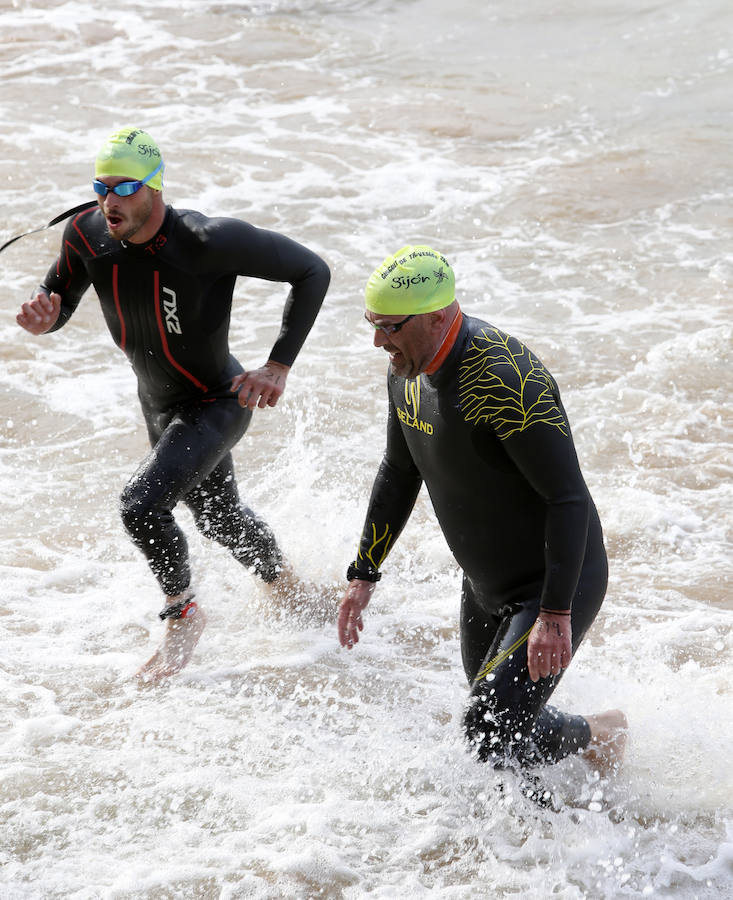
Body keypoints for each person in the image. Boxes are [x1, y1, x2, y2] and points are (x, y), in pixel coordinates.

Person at [17, 126, 331, 681]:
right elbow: (59, 302)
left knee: (140, 505)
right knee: (218, 518)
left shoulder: (207, 241)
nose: (109, 201)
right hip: (158, 404)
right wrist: (47, 321)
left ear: (155, 187)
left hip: (215, 399)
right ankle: (289, 587)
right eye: (101, 187)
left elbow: (311, 271)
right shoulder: (85, 236)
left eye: (125, 187)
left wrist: (278, 364)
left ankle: (183, 614)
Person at [337, 245, 627, 776]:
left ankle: (551, 845)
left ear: (438, 316)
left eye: (391, 327)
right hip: (484, 584)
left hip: (554, 583)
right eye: (372, 324)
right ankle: (598, 736)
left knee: (487, 734)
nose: (379, 341)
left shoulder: (506, 379)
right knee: (497, 728)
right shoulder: (405, 367)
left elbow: (567, 498)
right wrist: (363, 574)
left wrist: (555, 614)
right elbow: (399, 472)